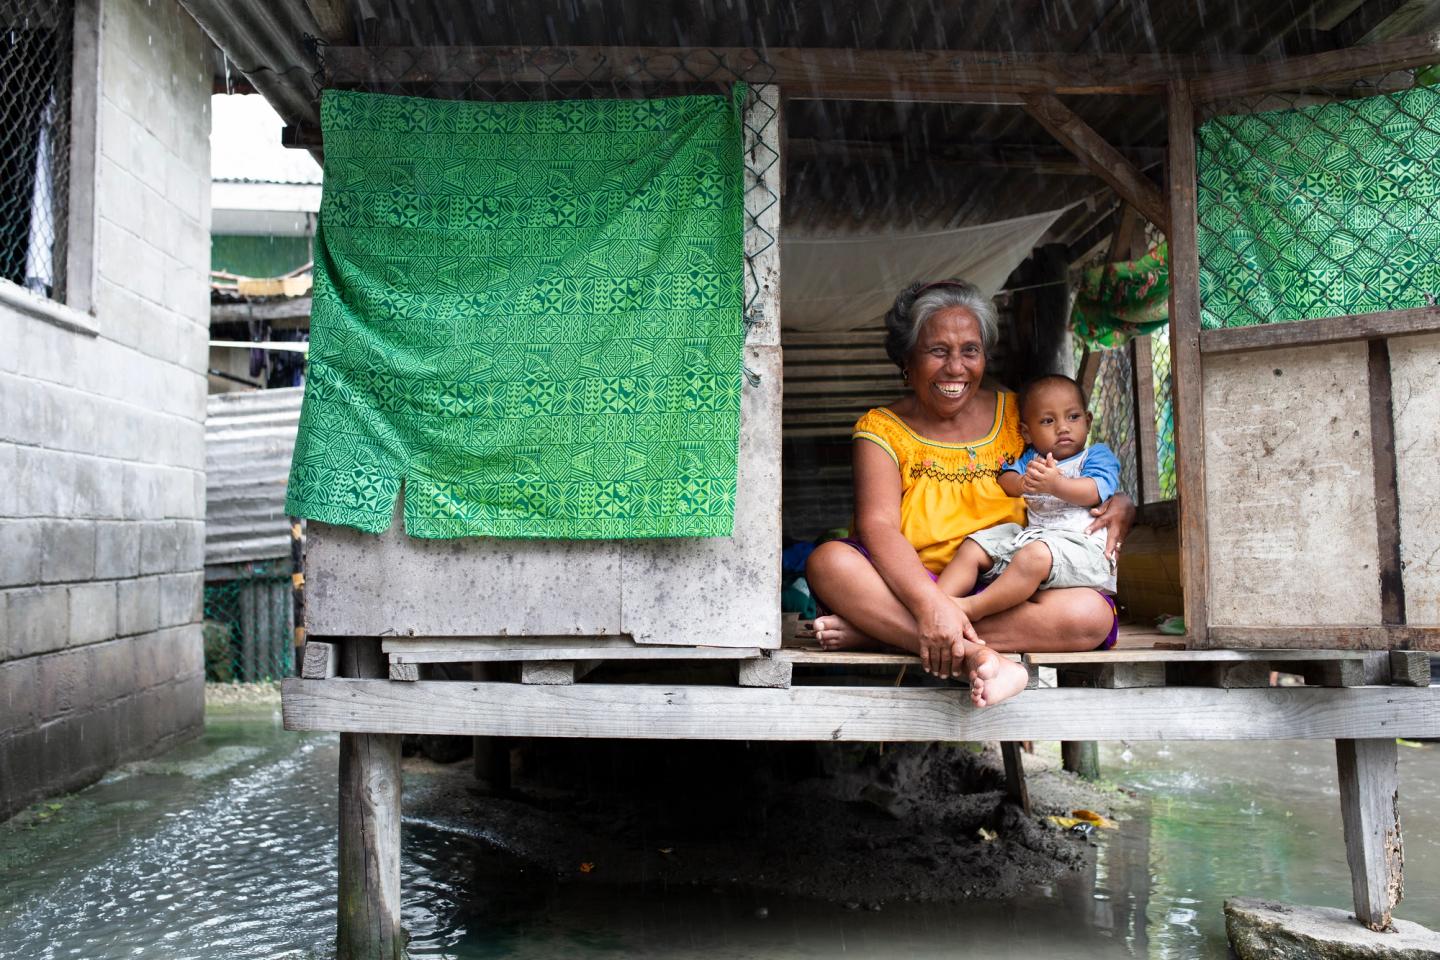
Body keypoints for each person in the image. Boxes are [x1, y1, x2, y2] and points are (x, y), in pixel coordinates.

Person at [803, 279, 1134, 709]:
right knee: (827, 561)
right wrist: (929, 604)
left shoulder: (1021, 414)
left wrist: (1121, 503)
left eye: (970, 351)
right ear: (907, 359)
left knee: (1090, 615)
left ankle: (880, 631)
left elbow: (1084, 467)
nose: (956, 368)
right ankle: (975, 656)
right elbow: (877, 526)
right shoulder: (879, 429)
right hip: (909, 584)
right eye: (938, 351)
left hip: (1006, 587)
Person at [937, 374, 1122, 624]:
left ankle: (971, 608)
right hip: (1034, 540)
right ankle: (936, 603)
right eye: (1048, 421)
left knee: (1035, 555)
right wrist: (1022, 483)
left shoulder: (1096, 456)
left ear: (1088, 421)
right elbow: (1006, 479)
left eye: (1073, 417)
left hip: (1084, 550)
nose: (1063, 427)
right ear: (1027, 432)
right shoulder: (1032, 458)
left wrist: (1056, 484)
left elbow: (1094, 491)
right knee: (975, 545)